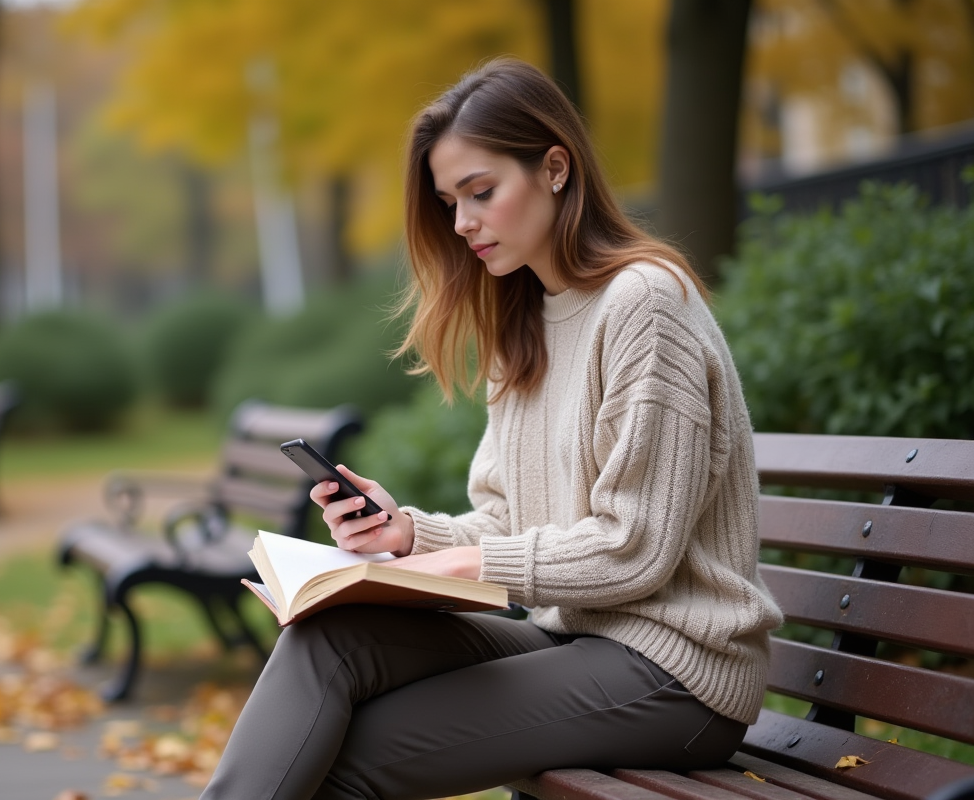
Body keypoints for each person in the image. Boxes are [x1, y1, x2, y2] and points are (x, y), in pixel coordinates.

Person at [200, 58, 783, 800]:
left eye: (481, 193)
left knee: (339, 759)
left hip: (677, 671)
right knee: (328, 638)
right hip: (576, 637)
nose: (462, 223)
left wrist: (456, 569)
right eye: (449, 202)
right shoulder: (524, 323)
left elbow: (635, 548)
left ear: (555, 169)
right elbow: (510, 519)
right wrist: (407, 538)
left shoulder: (644, 304)